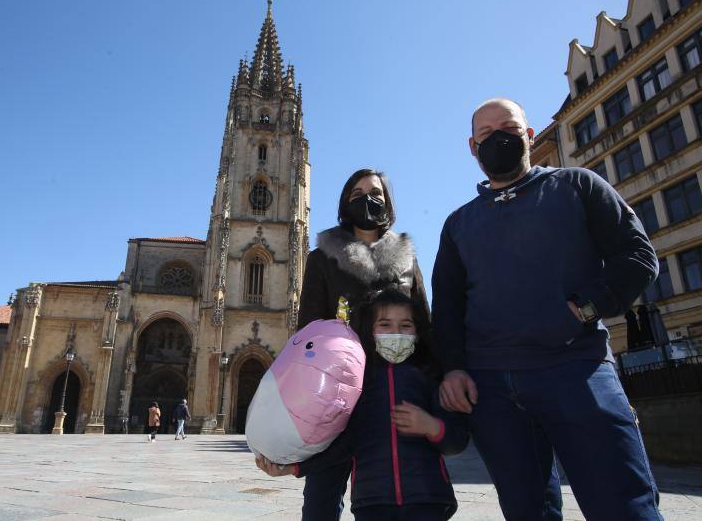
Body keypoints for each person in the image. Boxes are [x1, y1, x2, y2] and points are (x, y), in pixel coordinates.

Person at [432, 97, 662, 520]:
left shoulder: (577, 185)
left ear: (530, 135)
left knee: (623, 506)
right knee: (526, 512)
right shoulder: (458, 224)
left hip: (576, 369)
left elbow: (638, 257)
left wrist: (582, 310)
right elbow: (446, 307)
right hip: (492, 390)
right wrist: (453, 368)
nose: (498, 138)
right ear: (472, 147)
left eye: (509, 128)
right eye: (486, 134)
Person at [257, 289, 468, 520]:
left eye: (406, 325)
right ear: (370, 331)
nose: (395, 333)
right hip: (372, 504)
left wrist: (431, 427)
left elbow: (457, 441)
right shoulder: (360, 385)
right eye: (385, 325)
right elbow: (342, 447)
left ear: (418, 332)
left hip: (428, 501)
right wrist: (294, 468)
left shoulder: (429, 378)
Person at [297, 168, 431, 521]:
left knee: (387, 500)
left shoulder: (407, 258)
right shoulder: (322, 258)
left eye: (374, 193)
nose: (366, 199)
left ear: (387, 202)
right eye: (356, 193)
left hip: (393, 390)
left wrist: (433, 385)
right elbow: (308, 332)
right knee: (321, 501)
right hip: (337, 394)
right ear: (344, 203)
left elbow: (425, 327)